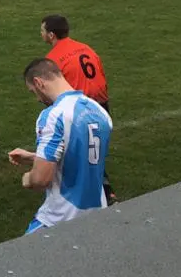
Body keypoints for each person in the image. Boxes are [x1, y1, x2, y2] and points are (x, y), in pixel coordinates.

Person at [8, 58, 112, 234]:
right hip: (97, 214)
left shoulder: (53, 115)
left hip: (61, 218)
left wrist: (27, 178)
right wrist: (35, 157)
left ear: (38, 83)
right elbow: (82, 157)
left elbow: (41, 179)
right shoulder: (99, 111)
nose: (37, 98)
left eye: (33, 91)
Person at [40, 14, 115, 203]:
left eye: (42, 31)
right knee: (95, 149)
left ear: (51, 35)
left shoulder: (52, 59)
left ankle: (98, 192)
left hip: (79, 109)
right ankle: (106, 190)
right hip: (100, 105)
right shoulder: (85, 48)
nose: (40, 34)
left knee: (80, 152)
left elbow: (52, 91)